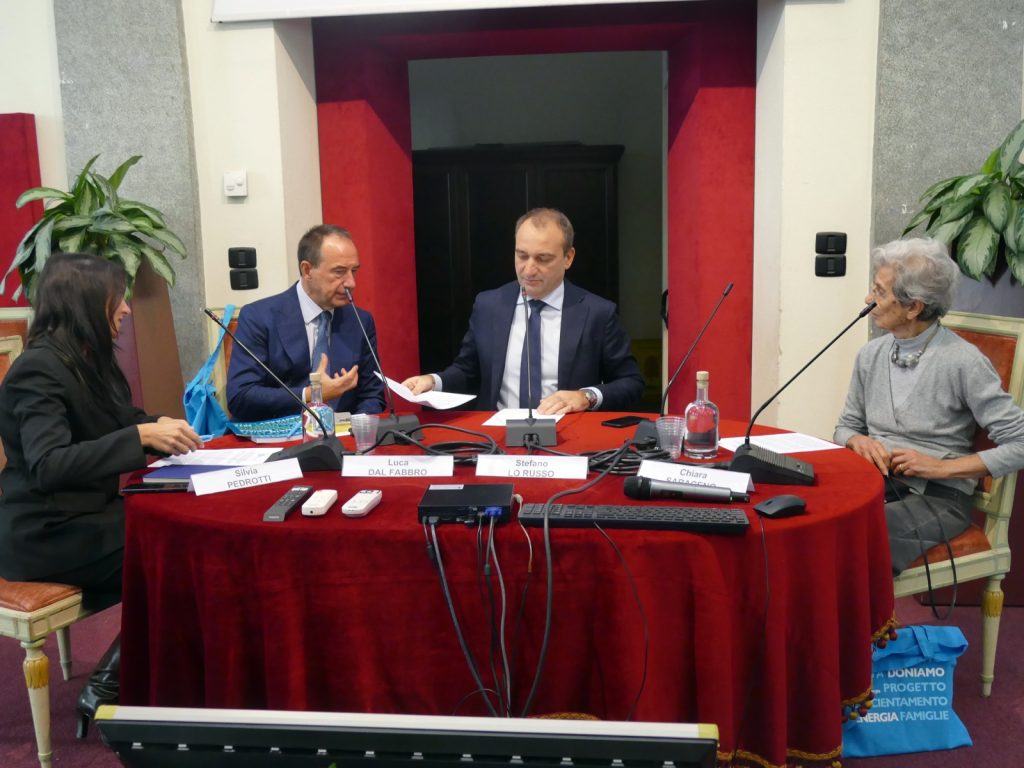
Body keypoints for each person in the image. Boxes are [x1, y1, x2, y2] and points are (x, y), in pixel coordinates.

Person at [0, 252, 204, 736]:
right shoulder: (37, 369)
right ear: (86, 301)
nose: (127, 308)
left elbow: (120, 421)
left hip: (88, 515)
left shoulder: (89, 356)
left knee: (185, 538)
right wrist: (138, 438)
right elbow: (49, 464)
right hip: (46, 531)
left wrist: (159, 427)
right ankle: (109, 683)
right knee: (181, 556)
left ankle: (133, 677)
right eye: (119, 298)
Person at [834, 238, 1024, 575]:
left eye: (879, 292)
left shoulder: (963, 362)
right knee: (815, 515)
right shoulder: (871, 354)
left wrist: (941, 468)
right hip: (877, 483)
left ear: (914, 307)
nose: (868, 299)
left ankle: (858, 611)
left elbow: (1020, 443)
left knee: (858, 535)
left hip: (939, 497)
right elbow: (845, 426)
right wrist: (856, 440)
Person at [402, 208, 644, 413]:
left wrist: (586, 396)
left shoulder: (597, 313)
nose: (529, 269)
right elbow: (467, 370)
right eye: (522, 256)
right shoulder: (488, 306)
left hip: (568, 437)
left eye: (543, 259)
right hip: (498, 437)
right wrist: (433, 381)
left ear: (568, 257)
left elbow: (632, 383)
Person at [227, 224, 387, 421]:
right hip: (277, 435)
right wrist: (311, 394)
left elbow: (372, 395)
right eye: (339, 272)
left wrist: (354, 428)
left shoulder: (360, 321)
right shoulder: (259, 317)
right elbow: (241, 397)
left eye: (354, 271)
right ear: (307, 270)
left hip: (343, 435)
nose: (351, 283)